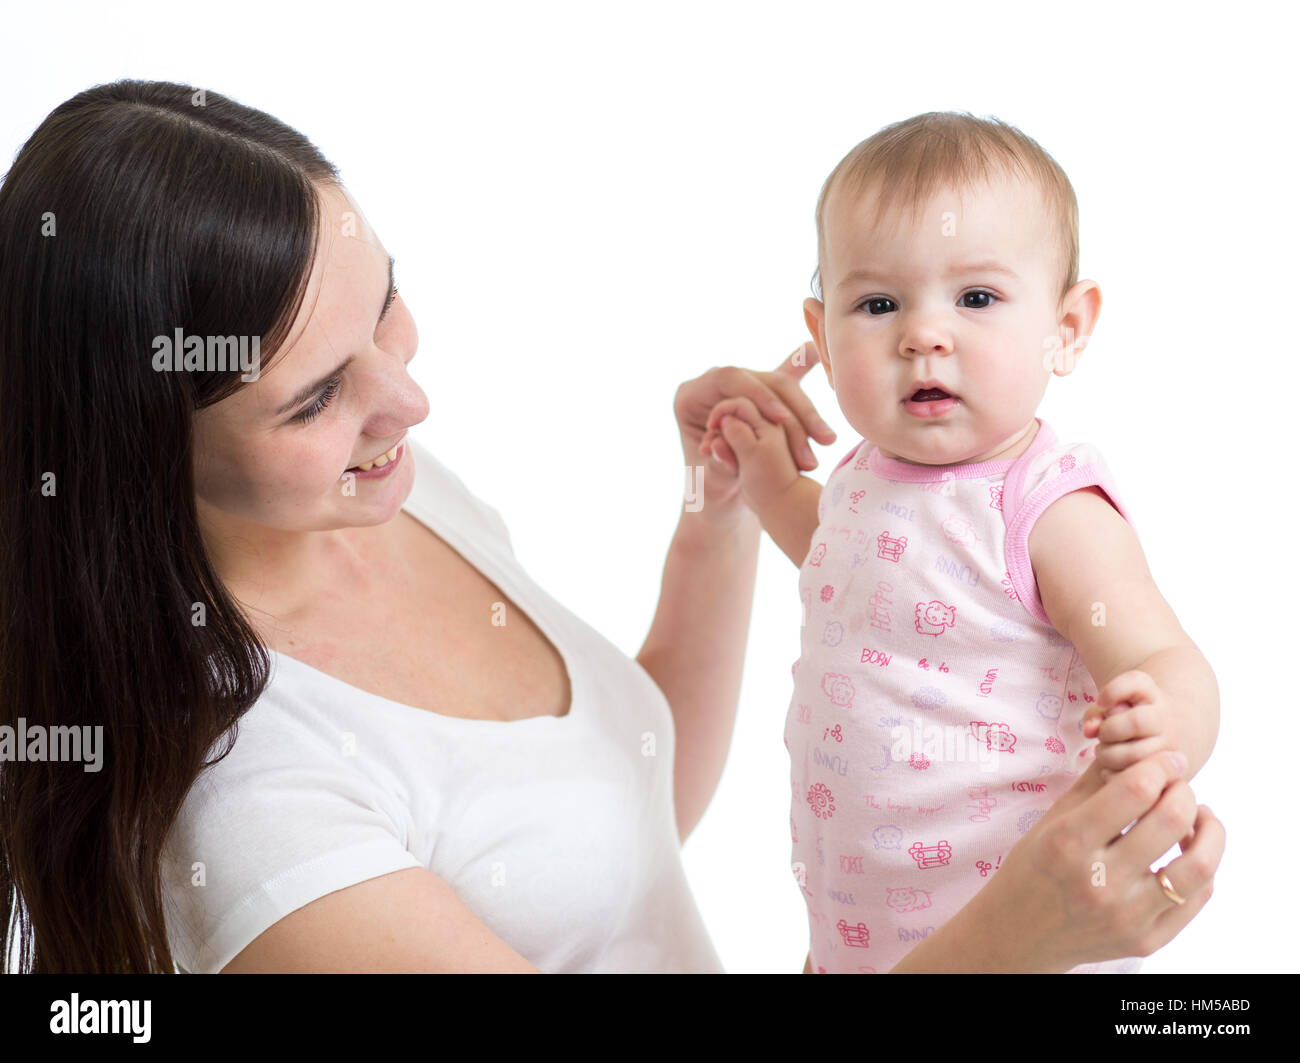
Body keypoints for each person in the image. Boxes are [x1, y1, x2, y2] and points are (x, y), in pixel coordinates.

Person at [0, 81, 1223, 974]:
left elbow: (618, 814)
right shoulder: (255, 815)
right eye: (318, 394)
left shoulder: (393, 485)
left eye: (384, 310)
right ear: (138, 443)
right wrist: (1004, 944)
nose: (407, 401)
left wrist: (721, 508)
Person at [701, 112, 1220, 973]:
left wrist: (1166, 722)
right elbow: (840, 559)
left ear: (1068, 326)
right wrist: (763, 483)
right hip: (857, 936)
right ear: (823, 334)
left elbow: (1167, 653)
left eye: (976, 298)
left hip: (1022, 938)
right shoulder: (862, 479)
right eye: (877, 304)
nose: (923, 334)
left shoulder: (1048, 506)